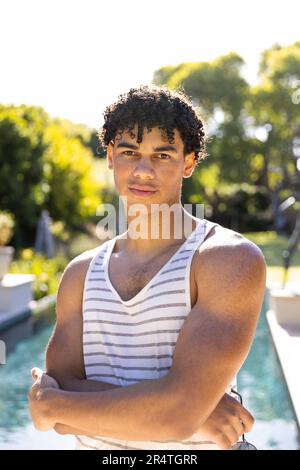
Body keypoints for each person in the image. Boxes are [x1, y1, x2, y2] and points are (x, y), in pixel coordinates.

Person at [28, 85, 266, 450]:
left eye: (162, 155)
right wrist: (193, 411)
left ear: (188, 162)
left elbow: (56, 408)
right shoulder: (80, 274)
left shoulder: (225, 260)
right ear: (110, 156)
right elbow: (60, 413)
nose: (142, 170)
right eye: (129, 152)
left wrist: (183, 410)